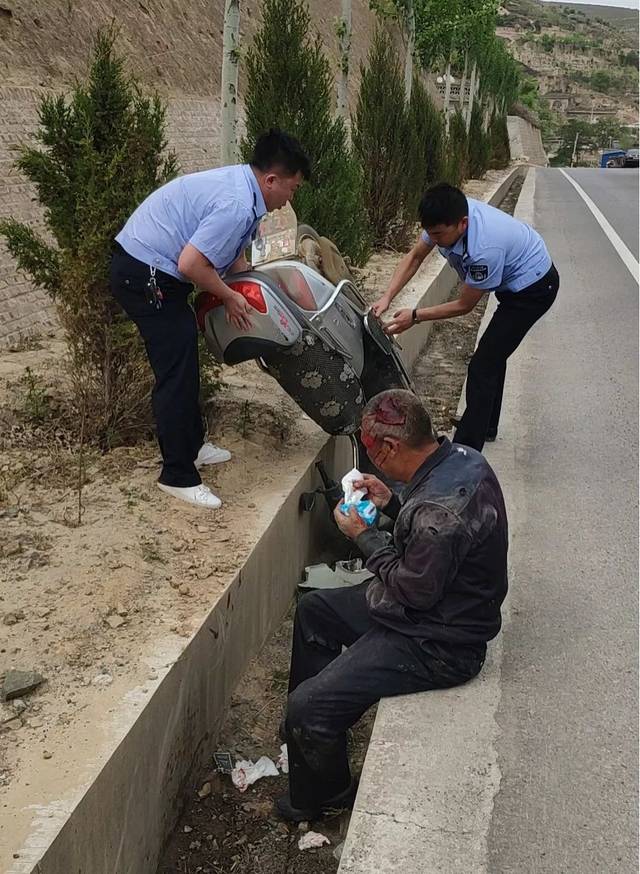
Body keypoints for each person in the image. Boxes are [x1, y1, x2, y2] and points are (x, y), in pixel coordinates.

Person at [276, 389, 508, 822]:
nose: (369, 458)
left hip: (438, 640)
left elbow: (412, 588)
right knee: (315, 613)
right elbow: (430, 537)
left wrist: (363, 535)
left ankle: (326, 793)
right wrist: (392, 499)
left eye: (369, 449)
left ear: (390, 447)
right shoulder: (460, 458)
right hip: (429, 606)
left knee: (307, 707)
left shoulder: (440, 512)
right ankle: (305, 738)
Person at [110, 129, 311, 508]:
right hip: (144, 273)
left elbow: (231, 256)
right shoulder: (237, 203)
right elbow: (190, 263)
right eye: (292, 189)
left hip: (156, 270)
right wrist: (230, 296)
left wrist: (253, 282)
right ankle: (177, 475)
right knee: (176, 370)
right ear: (271, 180)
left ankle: (194, 446)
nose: (290, 199)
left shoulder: (247, 194)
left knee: (185, 361)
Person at [372, 183, 559, 451]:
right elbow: (414, 257)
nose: (432, 240)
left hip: (534, 289)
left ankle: (466, 449)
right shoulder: (445, 215)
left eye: (438, 235)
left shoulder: (484, 249)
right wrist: (387, 296)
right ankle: (485, 424)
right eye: (429, 233)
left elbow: (464, 305)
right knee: (494, 352)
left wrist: (415, 315)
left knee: (484, 363)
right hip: (514, 282)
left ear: (462, 224)